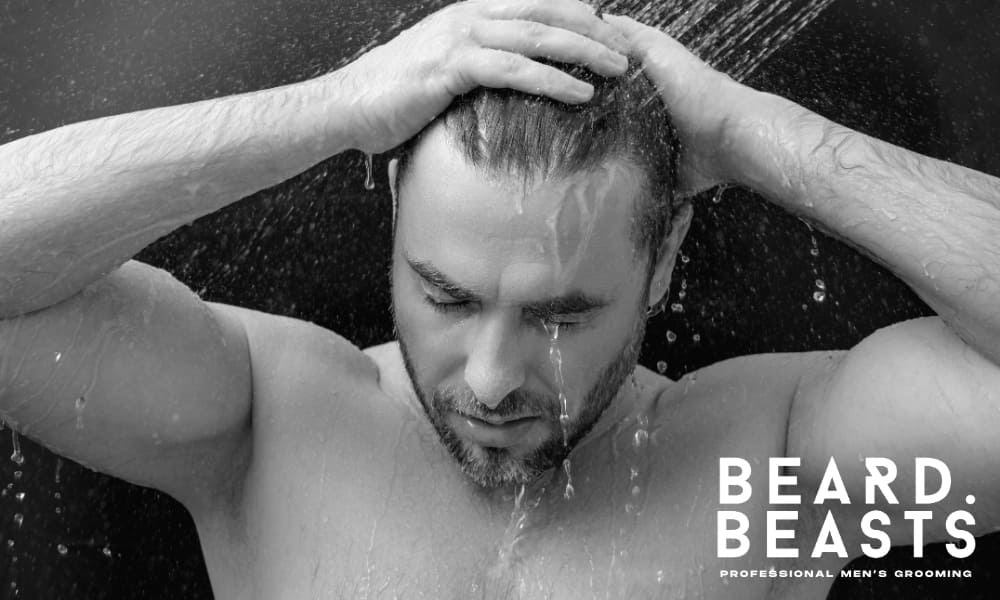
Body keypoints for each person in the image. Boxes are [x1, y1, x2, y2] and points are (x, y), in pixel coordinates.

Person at [1, 0, 998, 597]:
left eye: (559, 317)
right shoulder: (268, 423)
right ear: (397, 218)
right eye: (445, 296)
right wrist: (334, 108)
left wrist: (756, 137)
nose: (488, 378)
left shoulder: (778, 477)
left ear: (661, 261)